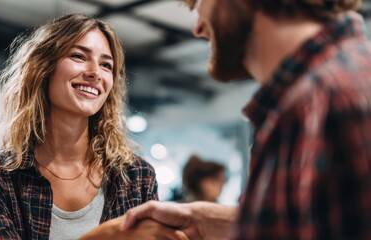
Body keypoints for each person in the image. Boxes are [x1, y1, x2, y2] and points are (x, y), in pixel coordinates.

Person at [123, 0, 371, 239]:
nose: (197, 28)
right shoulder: (311, 102)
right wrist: (211, 220)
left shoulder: (339, 101)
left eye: (199, 2)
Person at [0, 13, 186, 240]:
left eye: (106, 65)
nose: (95, 73)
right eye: (79, 56)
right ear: (43, 68)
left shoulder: (136, 177)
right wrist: (108, 234)